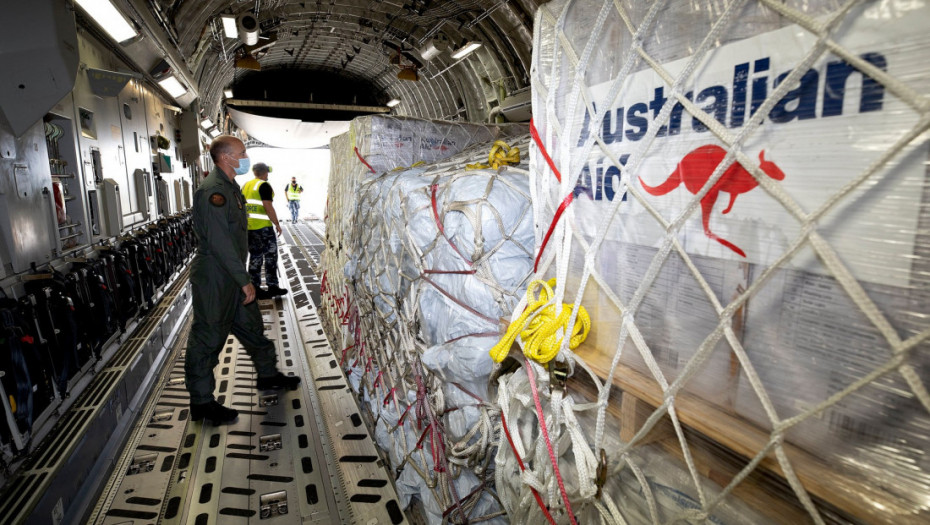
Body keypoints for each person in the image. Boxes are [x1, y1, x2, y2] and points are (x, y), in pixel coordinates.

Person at [185, 135, 299, 424]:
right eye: (242, 152)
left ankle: (268, 375)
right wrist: (243, 279)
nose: (245, 156)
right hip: (216, 277)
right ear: (226, 158)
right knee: (208, 337)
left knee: (251, 326)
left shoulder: (231, 187)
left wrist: (242, 277)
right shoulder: (214, 192)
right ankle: (201, 403)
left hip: (233, 273)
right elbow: (221, 242)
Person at [243, 162, 287, 299]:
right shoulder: (264, 185)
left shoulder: (245, 186)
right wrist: (277, 224)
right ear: (265, 173)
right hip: (263, 228)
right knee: (271, 256)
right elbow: (268, 207)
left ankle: (255, 288)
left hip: (250, 228)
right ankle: (272, 286)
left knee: (255, 257)